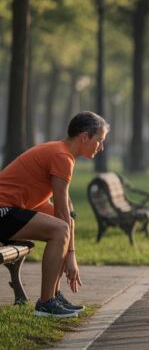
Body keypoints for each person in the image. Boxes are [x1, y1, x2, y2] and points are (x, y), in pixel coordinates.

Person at [0, 111, 109, 317]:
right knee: (60, 229)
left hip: (14, 209)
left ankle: (54, 294)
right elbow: (60, 210)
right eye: (99, 140)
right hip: (3, 211)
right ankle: (45, 303)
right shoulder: (62, 156)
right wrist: (70, 257)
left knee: (66, 222)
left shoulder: (61, 152)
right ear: (84, 137)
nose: (101, 147)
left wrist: (71, 253)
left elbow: (67, 208)